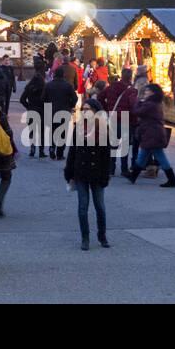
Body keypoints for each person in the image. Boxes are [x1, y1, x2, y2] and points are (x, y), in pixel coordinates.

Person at [64, 98, 113, 250]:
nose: (85, 112)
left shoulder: (103, 129)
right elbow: (73, 151)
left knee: (100, 206)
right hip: (81, 172)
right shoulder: (78, 127)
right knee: (82, 207)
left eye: (88, 109)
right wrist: (68, 171)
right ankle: (85, 238)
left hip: (97, 172)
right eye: (83, 109)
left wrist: (106, 174)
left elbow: (107, 155)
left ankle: (102, 235)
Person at [126, 84, 175, 187]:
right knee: (143, 156)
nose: (145, 92)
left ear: (153, 92)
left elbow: (137, 112)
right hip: (152, 134)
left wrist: (136, 101)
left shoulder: (151, 104)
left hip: (153, 134)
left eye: (147, 90)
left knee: (160, 158)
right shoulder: (153, 103)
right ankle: (133, 176)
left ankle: (172, 180)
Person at [44, 65, 78, 160]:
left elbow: (43, 98)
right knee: (63, 132)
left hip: (52, 111)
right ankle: (59, 153)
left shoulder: (49, 85)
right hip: (64, 110)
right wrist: (71, 106)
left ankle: (52, 147)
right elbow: (75, 98)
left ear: (54, 74)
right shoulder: (68, 85)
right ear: (63, 74)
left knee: (53, 131)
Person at [19, 70, 47, 157]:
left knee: (32, 131)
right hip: (42, 112)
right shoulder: (44, 88)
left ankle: (32, 149)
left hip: (32, 111)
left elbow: (22, 99)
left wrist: (28, 106)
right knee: (42, 132)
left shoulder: (29, 88)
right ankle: (41, 151)